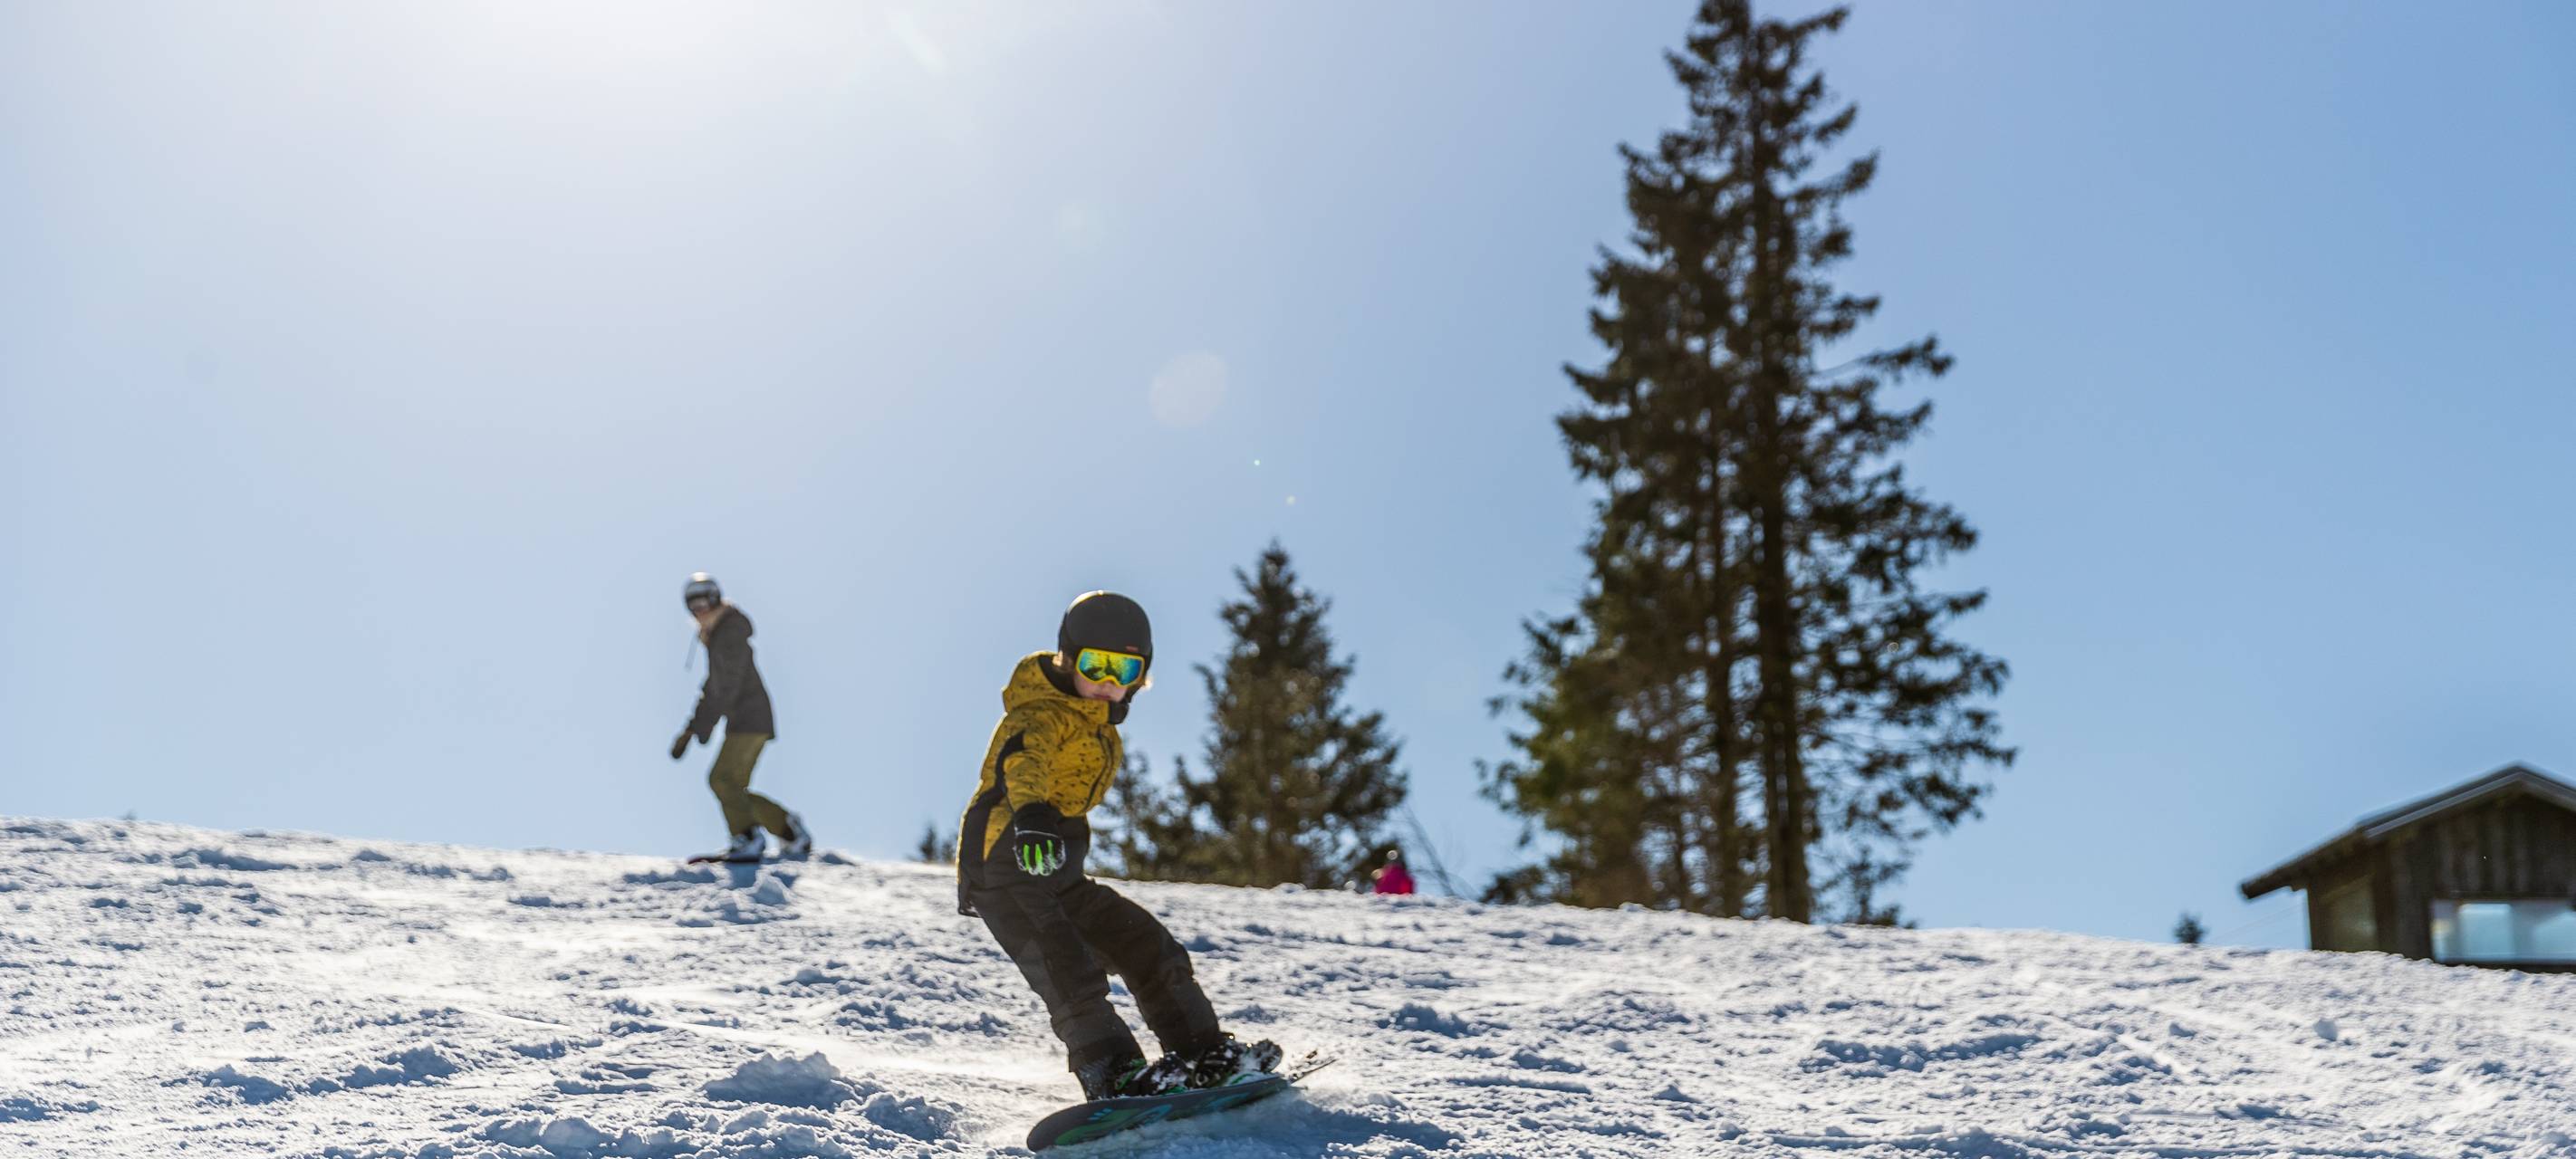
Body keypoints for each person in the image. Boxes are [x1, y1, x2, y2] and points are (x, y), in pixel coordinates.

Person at [956, 590, 1282, 1101]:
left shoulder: (1100, 728)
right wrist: (1033, 816)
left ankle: (1204, 1055)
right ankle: (1113, 1073)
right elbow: (1024, 763)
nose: (1109, 684)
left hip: (1059, 871)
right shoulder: (1040, 714)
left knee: (1146, 944)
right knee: (1067, 968)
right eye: (1097, 666)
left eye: (1124, 671)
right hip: (1007, 864)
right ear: (1067, 660)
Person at [669, 573, 808, 863]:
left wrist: (704, 725)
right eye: (693, 606)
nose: (700, 610)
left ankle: (747, 837)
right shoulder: (718, 635)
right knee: (732, 786)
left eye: (704, 602)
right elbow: (713, 685)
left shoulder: (728, 632)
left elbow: (726, 683)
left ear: (716, 598)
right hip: (748, 719)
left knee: (722, 779)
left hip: (749, 718)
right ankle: (787, 828)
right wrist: (692, 729)